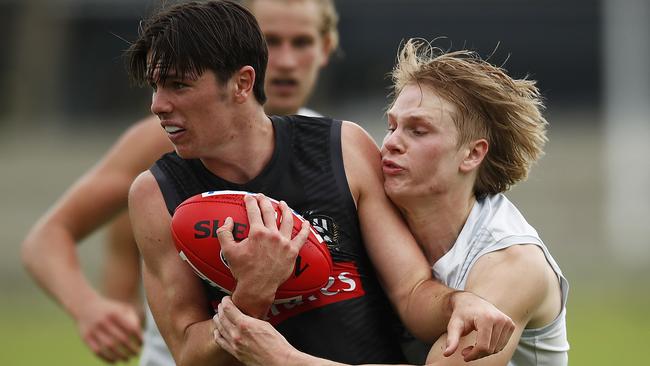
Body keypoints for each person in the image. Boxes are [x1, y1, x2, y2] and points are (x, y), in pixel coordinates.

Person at [126, 2, 514, 366]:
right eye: (155, 86)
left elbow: (411, 292)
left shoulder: (343, 147)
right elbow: (189, 352)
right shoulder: (155, 194)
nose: (158, 104)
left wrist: (457, 304)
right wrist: (253, 293)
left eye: (179, 86)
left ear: (243, 83)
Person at [212, 39, 570, 366]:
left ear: (472, 154)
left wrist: (283, 359)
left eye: (418, 130)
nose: (393, 142)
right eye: (392, 126)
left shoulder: (512, 265)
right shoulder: (374, 211)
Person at [20, 0, 339, 364]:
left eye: (301, 42)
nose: (284, 61)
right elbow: (49, 238)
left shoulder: (340, 148)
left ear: (326, 47)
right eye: (271, 41)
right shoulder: (168, 140)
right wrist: (90, 307)